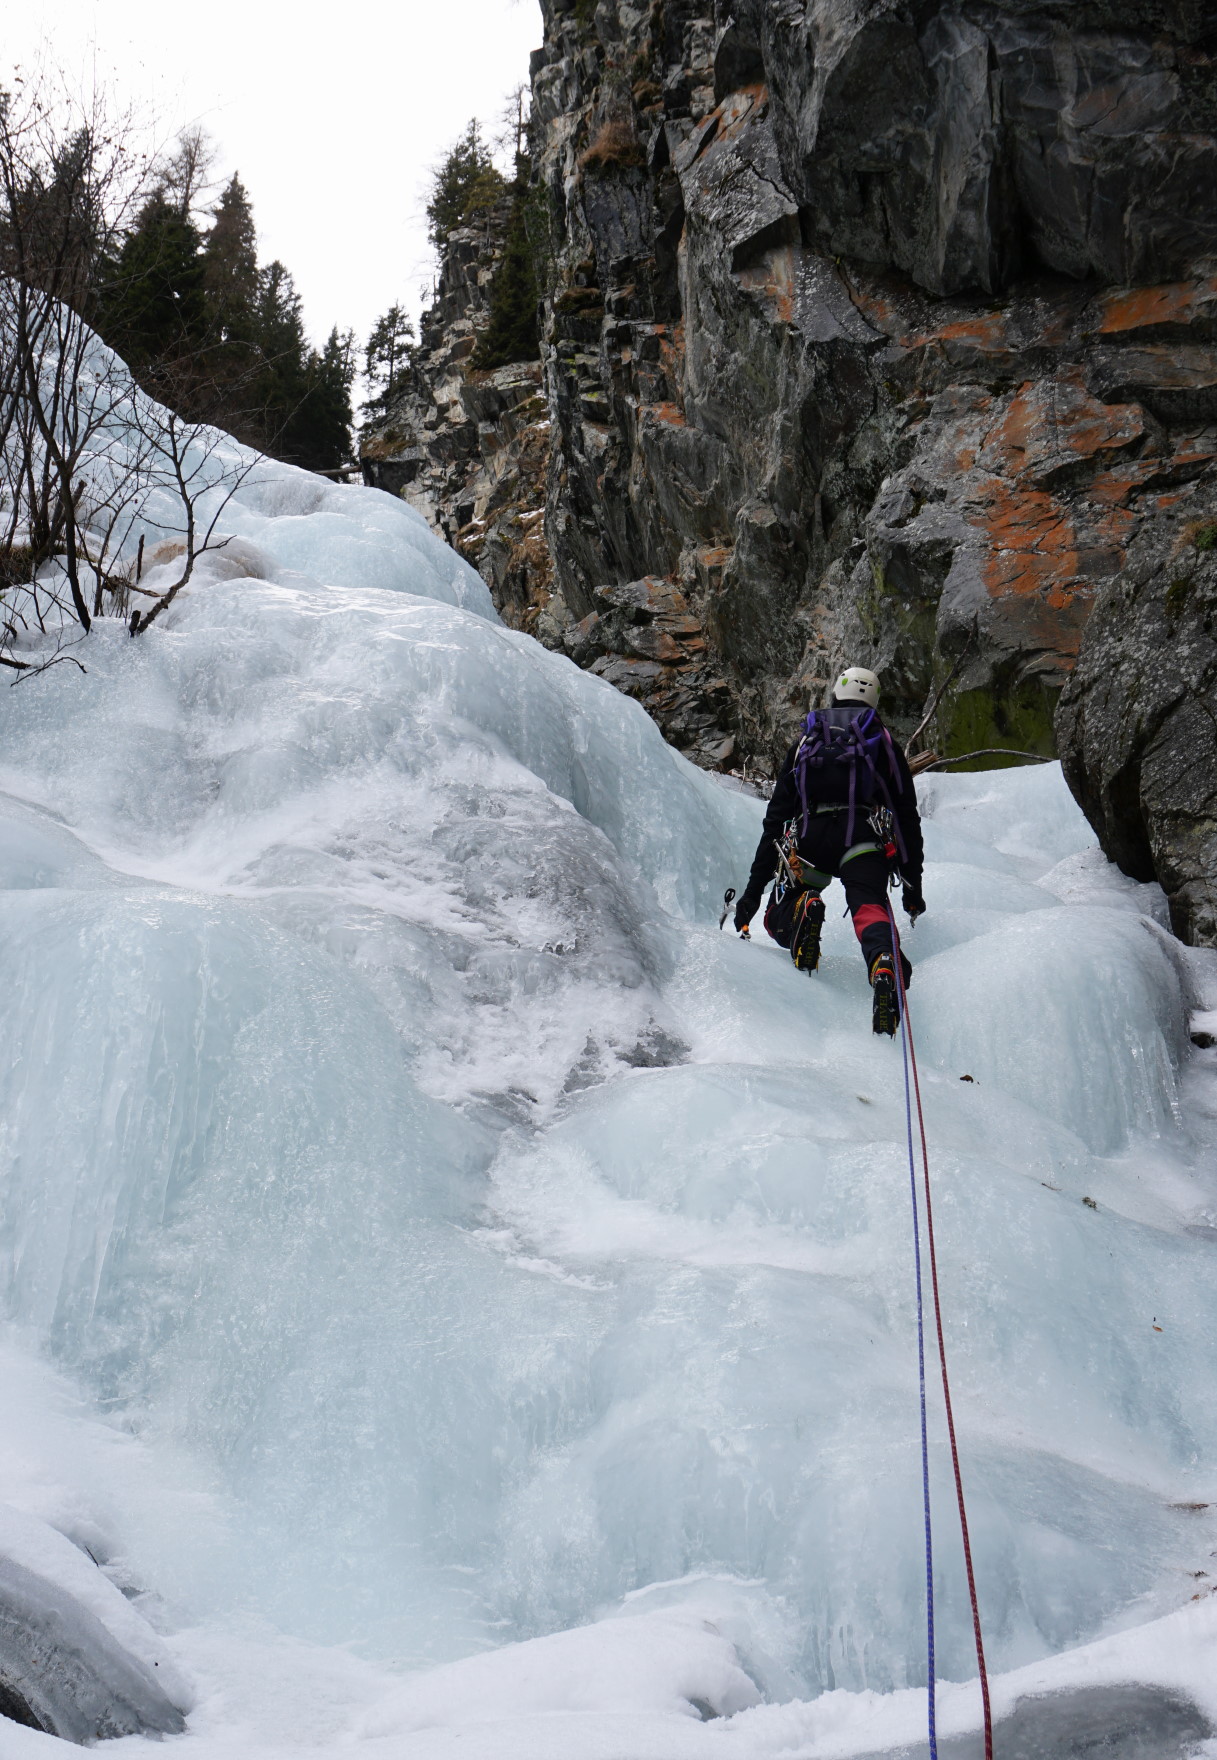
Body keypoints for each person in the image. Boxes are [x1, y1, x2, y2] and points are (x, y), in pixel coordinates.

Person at [733, 665, 925, 1035]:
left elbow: (775, 821)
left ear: (835, 695)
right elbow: (906, 816)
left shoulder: (806, 741)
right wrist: (912, 887)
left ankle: (802, 909)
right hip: (863, 839)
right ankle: (882, 961)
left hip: (811, 840)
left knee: (776, 916)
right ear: (874, 701)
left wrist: (753, 894)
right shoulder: (882, 741)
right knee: (869, 906)